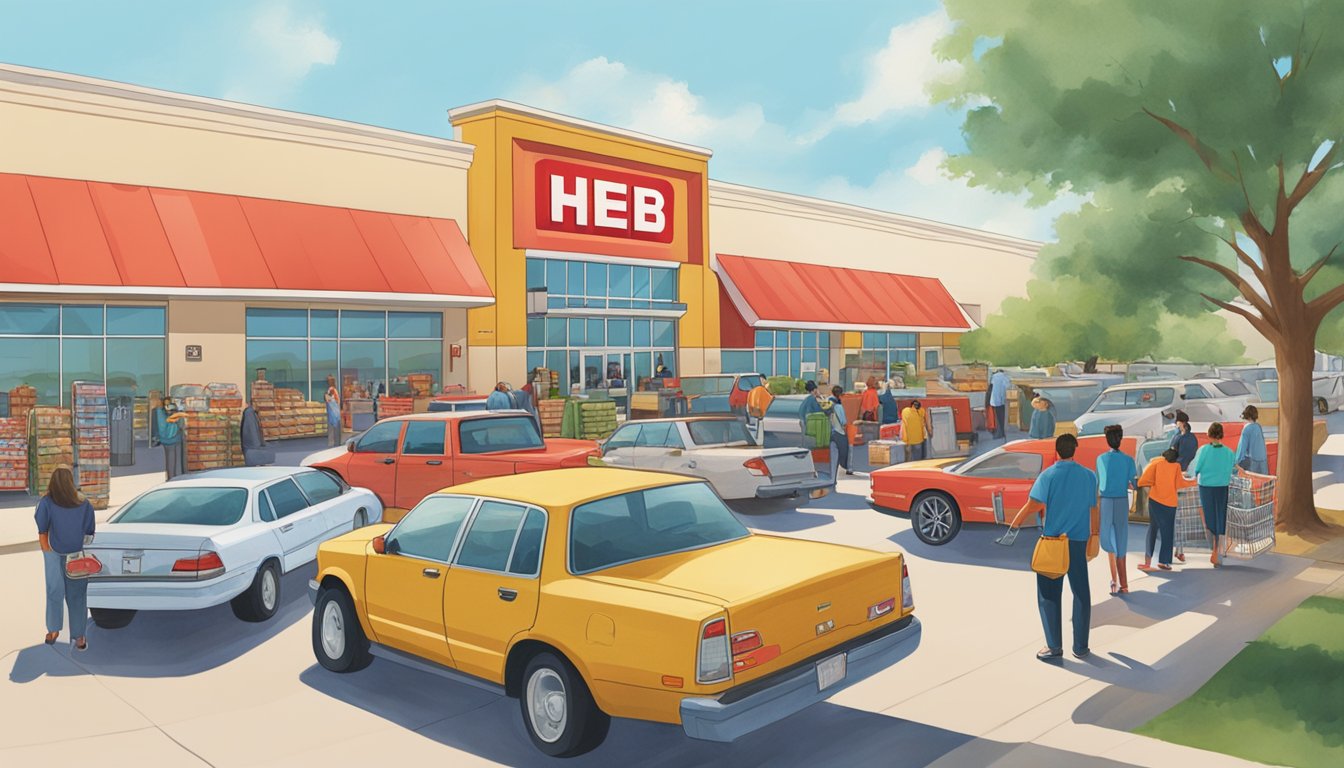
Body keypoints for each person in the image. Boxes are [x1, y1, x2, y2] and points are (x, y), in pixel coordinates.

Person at [1010, 434, 1100, 661]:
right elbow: (1094, 508)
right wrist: (1095, 535)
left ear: (1057, 451)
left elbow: (1034, 504)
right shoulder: (1089, 476)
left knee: (1049, 595)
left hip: (1053, 542)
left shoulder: (1048, 475)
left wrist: (1016, 522)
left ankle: (1054, 646)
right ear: (1074, 451)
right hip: (1078, 541)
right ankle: (1080, 647)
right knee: (1081, 593)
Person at [35, 466, 95, 651]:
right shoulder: (84, 503)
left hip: (52, 551)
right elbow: (89, 531)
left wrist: (46, 550)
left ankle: (53, 630)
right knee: (77, 595)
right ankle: (79, 637)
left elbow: (42, 529)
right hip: (76, 554)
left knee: (54, 592)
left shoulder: (46, 502)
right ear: (71, 482)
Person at [1188, 422, 1237, 567]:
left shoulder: (1203, 450)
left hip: (1206, 487)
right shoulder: (1229, 452)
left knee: (1209, 518)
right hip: (1223, 486)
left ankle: (1214, 548)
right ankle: (1219, 549)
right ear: (1221, 435)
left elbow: (1195, 468)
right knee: (1221, 516)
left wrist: (1191, 476)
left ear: (1209, 434)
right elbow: (1232, 468)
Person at [1096, 425, 1138, 595]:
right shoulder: (1128, 460)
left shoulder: (1100, 459)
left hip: (1106, 501)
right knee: (1121, 541)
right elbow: (1135, 484)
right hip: (1121, 501)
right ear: (1120, 439)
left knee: (1108, 541)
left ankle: (1114, 579)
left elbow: (1100, 483)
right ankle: (1124, 583)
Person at [1138, 448, 1189, 572]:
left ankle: (1147, 561)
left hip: (1155, 501)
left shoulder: (1156, 463)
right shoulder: (1176, 466)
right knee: (1167, 532)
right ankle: (1164, 562)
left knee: (1153, 529)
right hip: (1170, 504)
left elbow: (1142, 481)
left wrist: (1153, 483)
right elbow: (1180, 483)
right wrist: (1194, 481)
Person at [1167, 410, 1198, 563]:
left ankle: (1177, 549)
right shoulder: (1192, 438)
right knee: (1183, 516)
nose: (1176, 424)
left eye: (1177, 422)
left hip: (1176, 475)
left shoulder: (1178, 438)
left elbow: (1172, 456)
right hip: (1187, 476)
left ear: (1182, 423)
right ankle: (1179, 550)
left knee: (1176, 515)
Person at [153, 396, 188, 479]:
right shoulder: (160, 412)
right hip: (172, 440)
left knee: (171, 462)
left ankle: (173, 478)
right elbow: (178, 424)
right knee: (175, 462)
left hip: (169, 440)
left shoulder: (158, 412)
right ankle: (175, 478)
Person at [822, 392, 853, 476]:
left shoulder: (827, 410)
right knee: (844, 453)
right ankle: (844, 471)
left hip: (832, 434)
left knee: (833, 456)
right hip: (840, 433)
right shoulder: (839, 407)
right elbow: (844, 422)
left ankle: (833, 474)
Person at [1234, 405, 1268, 474]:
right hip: (1263, 461)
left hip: (1252, 462)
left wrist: (1236, 462)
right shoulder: (1258, 426)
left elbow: (1242, 448)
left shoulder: (1246, 429)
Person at [989, 368, 1012, 439]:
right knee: (1001, 417)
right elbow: (1008, 386)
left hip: (994, 400)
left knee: (996, 418)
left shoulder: (993, 377)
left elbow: (991, 385)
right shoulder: (1005, 377)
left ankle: (999, 433)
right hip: (1001, 400)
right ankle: (1000, 433)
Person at [324, 375, 342, 448]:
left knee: (333, 427)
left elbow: (328, 399)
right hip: (335, 411)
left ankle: (333, 443)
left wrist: (326, 397)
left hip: (333, 411)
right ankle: (336, 442)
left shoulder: (331, 390)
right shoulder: (334, 389)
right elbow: (337, 400)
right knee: (336, 427)